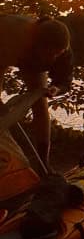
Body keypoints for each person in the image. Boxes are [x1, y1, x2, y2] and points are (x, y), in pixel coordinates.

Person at [0, 14, 73, 164]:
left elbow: (64, 80)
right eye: (49, 54)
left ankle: (42, 162)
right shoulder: (12, 32)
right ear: (37, 44)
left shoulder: (63, 51)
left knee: (40, 103)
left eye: (56, 54)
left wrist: (56, 89)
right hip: (5, 51)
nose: (53, 59)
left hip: (32, 62)